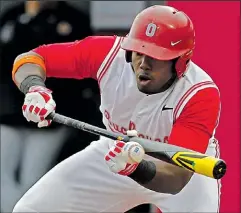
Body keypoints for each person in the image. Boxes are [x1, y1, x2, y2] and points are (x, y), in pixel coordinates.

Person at [11, 5, 221, 213]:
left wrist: (135, 168)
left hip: (174, 166)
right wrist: (35, 89)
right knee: (31, 209)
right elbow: (32, 58)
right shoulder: (109, 55)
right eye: (139, 51)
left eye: (157, 56)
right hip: (115, 150)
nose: (144, 64)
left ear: (180, 62)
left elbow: (176, 179)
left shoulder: (199, 94)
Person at [0, 1, 95, 212]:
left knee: (33, 179)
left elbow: (78, 69)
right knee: (2, 176)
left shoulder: (72, 19)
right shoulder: (12, 15)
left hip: (49, 115)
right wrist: (27, 18)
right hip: (9, 113)